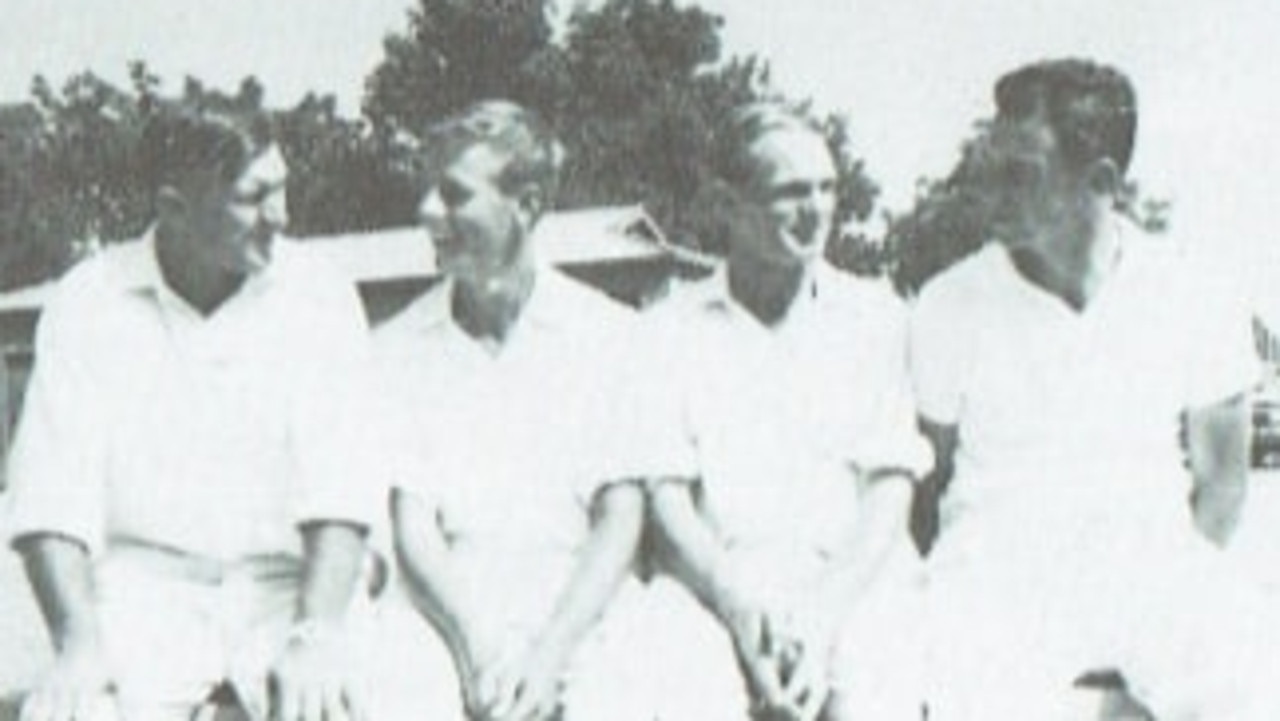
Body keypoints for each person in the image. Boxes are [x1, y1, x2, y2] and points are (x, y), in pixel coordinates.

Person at [911, 58, 1278, 720]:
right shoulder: (948, 305)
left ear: (1103, 182)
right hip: (994, 579)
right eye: (994, 166)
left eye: (1021, 174)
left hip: (1149, 569)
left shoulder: (1194, 293)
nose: (994, 189)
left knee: (1247, 662)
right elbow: (926, 483)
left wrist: (1167, 599)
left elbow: (1223, 480)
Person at [4, 101, 377, 721]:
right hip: (143, 595)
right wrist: (79, 646)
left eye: (282, 191)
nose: (281, 218)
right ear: (174, 207)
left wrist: (316, 634)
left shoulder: (321, 294)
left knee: (350, 704)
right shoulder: (88, 302)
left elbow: (341, 488)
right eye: (254, 197)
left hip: (291, 590)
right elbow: (50, 498)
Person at [366, 100, 681, 721]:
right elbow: (413, 524)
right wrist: (479, 650)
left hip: (583, 607)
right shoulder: (394, 350)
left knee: (642, 685)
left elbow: (620, 517)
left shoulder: (612, 338)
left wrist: (549, 655)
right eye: (428, 190)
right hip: (444, 611)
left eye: (454, 194)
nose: (428, 212)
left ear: (528, 205)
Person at [645, 102, 931, 721]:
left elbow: (890, 488)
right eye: (790, 192)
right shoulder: (667, 331)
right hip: (715, 582)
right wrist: (733, 598)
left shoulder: (876, 318)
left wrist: (825, 613)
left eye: (827, 188)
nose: (818, 209)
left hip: (854, 579)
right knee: (667, 668)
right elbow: (666, 494)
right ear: (729, 204)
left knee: (881, 672)